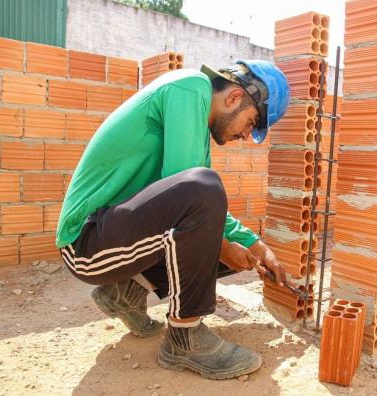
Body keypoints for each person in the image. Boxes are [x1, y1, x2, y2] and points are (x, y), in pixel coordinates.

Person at [55, 60, 291, 380]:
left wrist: (255, 244)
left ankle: (125, 292)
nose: (247, 136)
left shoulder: (193, 115)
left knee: (220, 226)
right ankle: (184, 338)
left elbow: (200, 203)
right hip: (85, 245)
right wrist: (223, 246)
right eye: (251, 123)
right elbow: (197, 195)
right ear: (235, 97)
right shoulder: (189, 86)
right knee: (206, 197)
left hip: (111, 234)